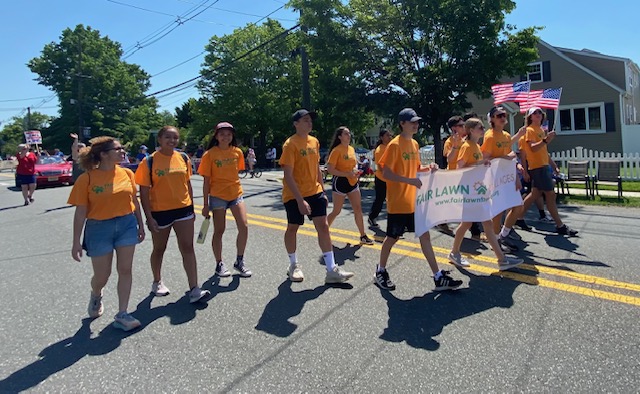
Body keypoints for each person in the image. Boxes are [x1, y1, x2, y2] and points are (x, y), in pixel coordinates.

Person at [374, 108, 462, 291]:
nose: (416, 124)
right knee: (392, 237)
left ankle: (438, 277)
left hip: (414, 201)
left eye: (417, 121)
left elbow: (415, 168)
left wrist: (428, 168)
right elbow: (385, 172)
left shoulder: (414, 144)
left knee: (425, 235)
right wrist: (409, 181)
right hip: (398, 202)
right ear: (402, 124)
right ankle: (380, 271)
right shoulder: (395, 145)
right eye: (412, 122)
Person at [67, 136, 145, 331]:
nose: (122, 151)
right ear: (103, 154)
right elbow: (80, 212)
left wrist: (141, 225)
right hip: (98, 228)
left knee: (125, 269)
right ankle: (96, 293)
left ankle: (122, 313)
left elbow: (134, 202)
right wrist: (76, 241)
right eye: (117, 149)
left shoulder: (127, 173)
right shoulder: (87, 178)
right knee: (103, 275)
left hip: (126, 224)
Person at [135, 126, 210, 303]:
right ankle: (157, 281)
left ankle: (194, 288)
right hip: (160, 211)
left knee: (188, 247)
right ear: (159, 139)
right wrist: (149, 217)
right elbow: (144, 192)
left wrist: (191, 208)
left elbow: (187, 185)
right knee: (159, 249)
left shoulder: (183, 158)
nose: (172, 140)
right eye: (168, 137)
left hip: (183, 209)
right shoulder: (149, 161)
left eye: (175, 138)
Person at [281, 109, 354, 284]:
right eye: (305, 120)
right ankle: (293, 265)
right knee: (293, 227)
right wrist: (300, 200)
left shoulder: (314, 142)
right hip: (294, 194)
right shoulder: (290, 144)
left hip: (315, 192)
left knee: (323, 227)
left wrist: (322, 190)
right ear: (296, 124)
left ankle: (331, 270)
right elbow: (288, 175)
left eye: (310, 120)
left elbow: (316, 167)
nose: (309, 123)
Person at [447, 118, 524, 270]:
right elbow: (459, 167)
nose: (483, 130)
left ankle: (457, 253)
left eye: (482, 127)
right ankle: (499, 259)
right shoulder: (467, 146)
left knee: (476, 224)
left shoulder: (475, 146)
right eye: (479, 127)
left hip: (477, 190)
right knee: (476, 224)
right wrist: (480, 163)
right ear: (471, 131)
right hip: (470, 191)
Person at [199, 122, 253, 279]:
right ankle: (219, 263)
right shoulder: (209, 155)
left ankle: (239, 261)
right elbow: (206, 181)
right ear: (216, 136)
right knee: (219, 230)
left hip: (236, 194)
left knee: (244, 226)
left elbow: (237, 172)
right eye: (222, 134)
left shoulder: (237, 153)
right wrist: (205, 204)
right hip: (217, 196)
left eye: (229, 134)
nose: (225, 137)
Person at [520, 107, 578, 236]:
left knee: (535, 194)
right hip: (538, 167)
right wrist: (546, 140)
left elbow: (543, 151)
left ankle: (517, 217)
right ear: (530, 117)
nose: (538, 114)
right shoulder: (529, 130)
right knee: (550, 195)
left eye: (540, 112)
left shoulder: (540, 130)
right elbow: (533, 149)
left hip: (543, 166)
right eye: (535, 113)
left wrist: (553, 165)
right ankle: (560, 225)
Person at [480, 106, 527, 253]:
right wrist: (505, 157)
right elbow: (485, 159)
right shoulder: (490, 136)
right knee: (498, 210)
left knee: (518, 206)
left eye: (504, 115)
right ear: (492, 119)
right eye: (499, 115)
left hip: (508, 176)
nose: (502, 117)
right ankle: (495, 240)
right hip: (494, 176)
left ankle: (503, 234)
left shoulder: (506, 136)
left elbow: (509, 157)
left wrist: (516, 174)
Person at [326, 126, 374, 245]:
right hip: (340, 183)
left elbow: (354, 164)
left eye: (349, 133)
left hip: (352, 182)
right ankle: (323, 230)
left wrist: (356, 170)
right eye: (346, 133)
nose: (349, 135)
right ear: (340, 137)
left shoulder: (351, 149)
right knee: (336, 211)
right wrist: (345, 173)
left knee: (358, 209)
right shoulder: (336, 150)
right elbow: (330, 169)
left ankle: (363, 235)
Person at [368, 129, 392, 228]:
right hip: (382, 179)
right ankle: (372, 217)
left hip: (392, 179)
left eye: (390, 135)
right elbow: (381, 166)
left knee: (394, 200)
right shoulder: (380, 149)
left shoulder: (391, 147)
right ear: (381, 138)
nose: (390, 137)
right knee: (380, 199)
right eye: (387, 135)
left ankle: (400, 223)